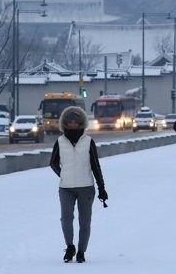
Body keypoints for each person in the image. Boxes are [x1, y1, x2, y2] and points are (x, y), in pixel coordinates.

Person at [49, 105, 108, 264]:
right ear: (65, 123)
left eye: (76, 121)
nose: (73, 123)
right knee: (66, 219)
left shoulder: (88, 141)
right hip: (65, 188)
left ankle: (81, 251)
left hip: (86, 187)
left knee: (85, 222)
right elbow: (53, 162)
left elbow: (95, 166)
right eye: (70, 121)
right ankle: (70, 247)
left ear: (81, 123)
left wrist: (102, 188)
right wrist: (63, 174)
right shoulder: (60, 142)